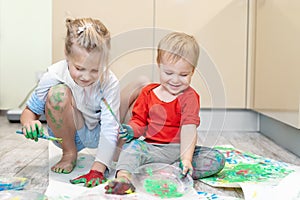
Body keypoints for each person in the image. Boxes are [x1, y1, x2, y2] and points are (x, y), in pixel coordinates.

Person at [104, 32, 226, 195]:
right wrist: (132, 130)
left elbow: (189, 130)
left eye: (183, 75)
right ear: (159, 65)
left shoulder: (189, 97)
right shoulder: (148, 92)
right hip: (152, 149)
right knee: (132, 148)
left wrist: (187, 159)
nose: (175, 80)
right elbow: (140, 122)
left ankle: (174, 169)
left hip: (180, 152)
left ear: (192, 72)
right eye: (169, 73)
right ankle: (124, 179)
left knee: (217, 159)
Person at [20, 17, 119, 187]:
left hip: (97, 133)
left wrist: (98, 167)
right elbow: (30, 111)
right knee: (58, 93)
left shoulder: (109, 81)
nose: (86, 77)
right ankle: (69, 153)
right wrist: (29, 123)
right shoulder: (53, 74)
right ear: (67, 56)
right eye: (79, 68)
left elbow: (110, 128)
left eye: (95, 70)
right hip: (68, 134)